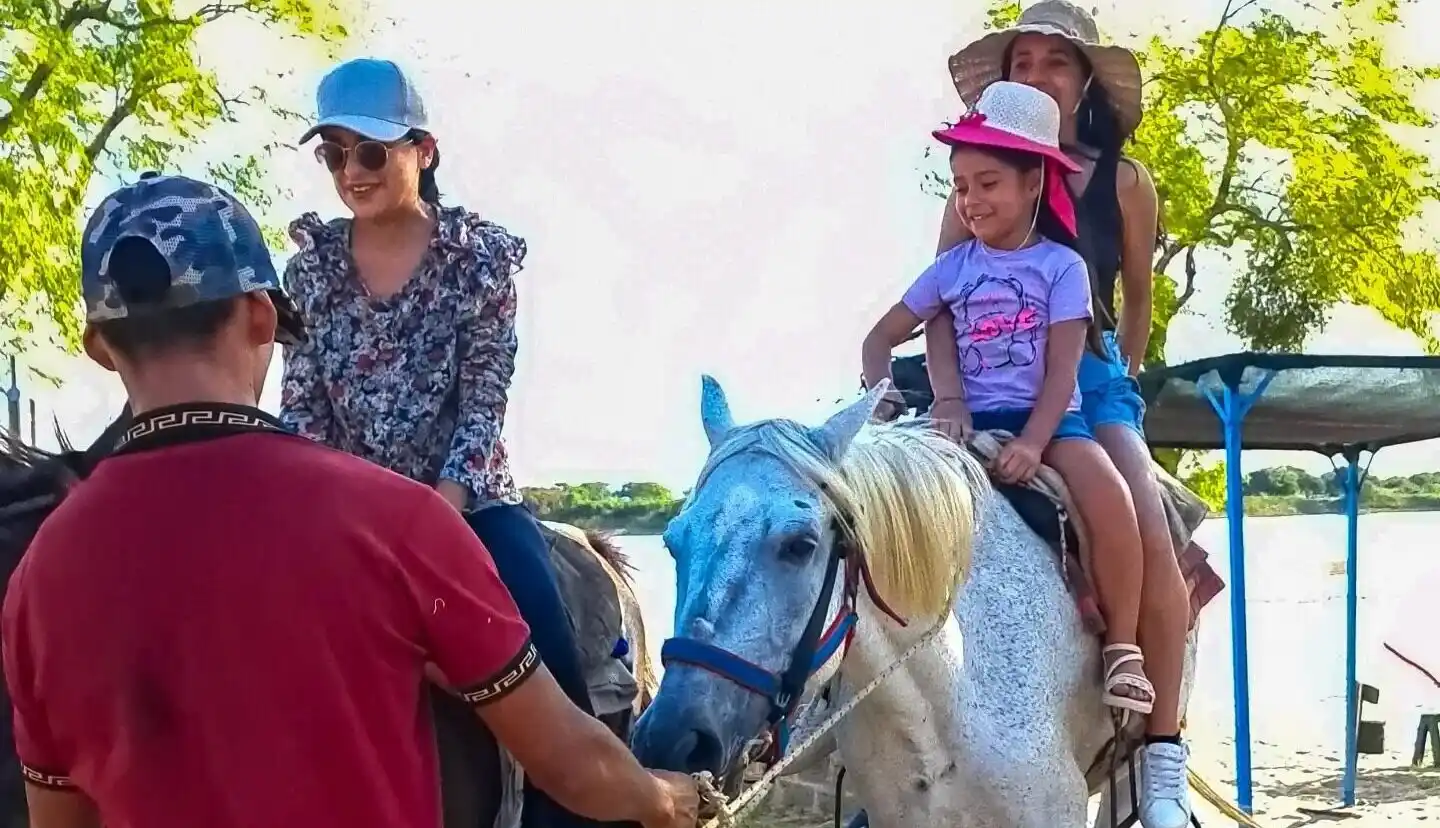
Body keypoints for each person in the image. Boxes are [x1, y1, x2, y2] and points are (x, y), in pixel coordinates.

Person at [0, 173, 699, 828]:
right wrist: (668, 798)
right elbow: (572, 764)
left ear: (97, 346)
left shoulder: (40, 579)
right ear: (259, 315)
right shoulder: (399, 524)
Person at [277, 59, 606, 827]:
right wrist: (326, 516)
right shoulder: (310, 273)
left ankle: (580, 806)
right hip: (346, 514)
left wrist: (440, 510)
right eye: (334, 154)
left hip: (469, 502)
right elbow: (303, 414)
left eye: (370, 152)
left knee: (551, 664)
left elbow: (485, 398)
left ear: (422, 151)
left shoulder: (481, 262)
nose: (351, 172)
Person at [930, 4, 1193, 827]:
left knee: (1150, 530)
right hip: (977, 373)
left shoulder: (1126, 183)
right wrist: (945, 394)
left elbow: (1139, 301)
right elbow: (938, 289)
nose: (1037, 74)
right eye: (1024, 61)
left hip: (1089, 373)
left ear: (1084, 85)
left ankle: (1161, 756)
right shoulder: (978, 170)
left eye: (1056, 63)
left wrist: (1126, 382)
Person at [861, 76, 1154, 765]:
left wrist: (1035, 440)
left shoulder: (1063, 269)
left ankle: (1122, 648)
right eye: (961, 186)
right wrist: (892, 396)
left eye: (988, 183)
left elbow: (1061, 370)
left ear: (1033, 186)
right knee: (875, 509)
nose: (971, 200)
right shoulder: (951, 270)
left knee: (1113, 499)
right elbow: (881, 339)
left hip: (1049, 419)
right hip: (964, 419)